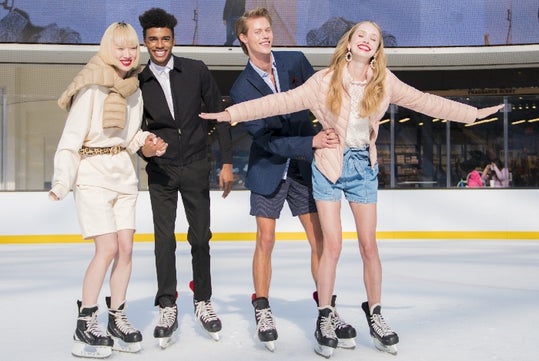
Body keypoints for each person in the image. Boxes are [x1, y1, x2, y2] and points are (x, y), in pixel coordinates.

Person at [200, 20, 504, 358]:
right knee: (331, 245)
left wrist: (472, 114)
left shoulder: (384, 81)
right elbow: (278, 103)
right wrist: (231, 114)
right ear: (349, 42)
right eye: (361, 35)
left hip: (363, 167)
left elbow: (427, 103)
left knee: (369, 246)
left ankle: (375, 313)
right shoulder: (324, 81)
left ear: (377, 50)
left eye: (373, 38)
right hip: (329, 163)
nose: (366, 41)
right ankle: (325, 316)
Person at [231, 7, 355, 351]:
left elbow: (323, 94)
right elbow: (264, 138)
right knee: (266, 240)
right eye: (257, 31)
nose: (266, 36)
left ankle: (327, 309)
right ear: (244, 38)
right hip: (269, 167)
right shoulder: (242, 87)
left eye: (268, 30)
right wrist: (310, 141)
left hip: (302, 168)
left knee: (320, 241)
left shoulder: (295, 62)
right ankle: (262, 308)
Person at [49, 21, 167, 358]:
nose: (128, 54)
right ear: (107, 50)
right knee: (108, 249)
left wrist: (147, 141)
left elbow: (129, 138)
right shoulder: (91, 89)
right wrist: (62, 181)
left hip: (124, 177)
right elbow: (70, 141)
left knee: (126, 250)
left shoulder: (134, 91)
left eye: (132, 48)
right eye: (120, 48)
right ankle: (86, 321)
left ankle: (117, 316)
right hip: (92, 176)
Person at [137, 7, 234, 346]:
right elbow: (134, 131)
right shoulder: (138, 81)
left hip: (195, 164)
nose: (159, 45)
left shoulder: (195, 71)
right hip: (161, 171)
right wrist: (144, 150)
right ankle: (167, 303)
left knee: (200, 236)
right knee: (164, 240)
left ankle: (203, 299)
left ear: (173, 39)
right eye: (153, 39)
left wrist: (226, 163)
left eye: (165, 38)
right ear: (145, 42)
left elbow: (219, 116)